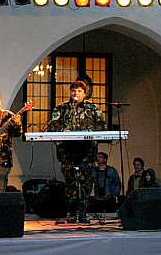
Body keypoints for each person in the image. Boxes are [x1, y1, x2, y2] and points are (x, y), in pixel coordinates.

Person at [47, 80, 106, 224]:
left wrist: (89, 133)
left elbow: (102, 126)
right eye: (73, 90)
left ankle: (84, 213)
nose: (76, 93)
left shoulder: (93, 108)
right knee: (70, 185)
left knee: (86, 184)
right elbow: (52, 126)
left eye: (79, 91)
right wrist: (63, 132)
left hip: (87, 154)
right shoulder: (61, 108)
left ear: (84, 94)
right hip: (68, 154)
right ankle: (71, 213)